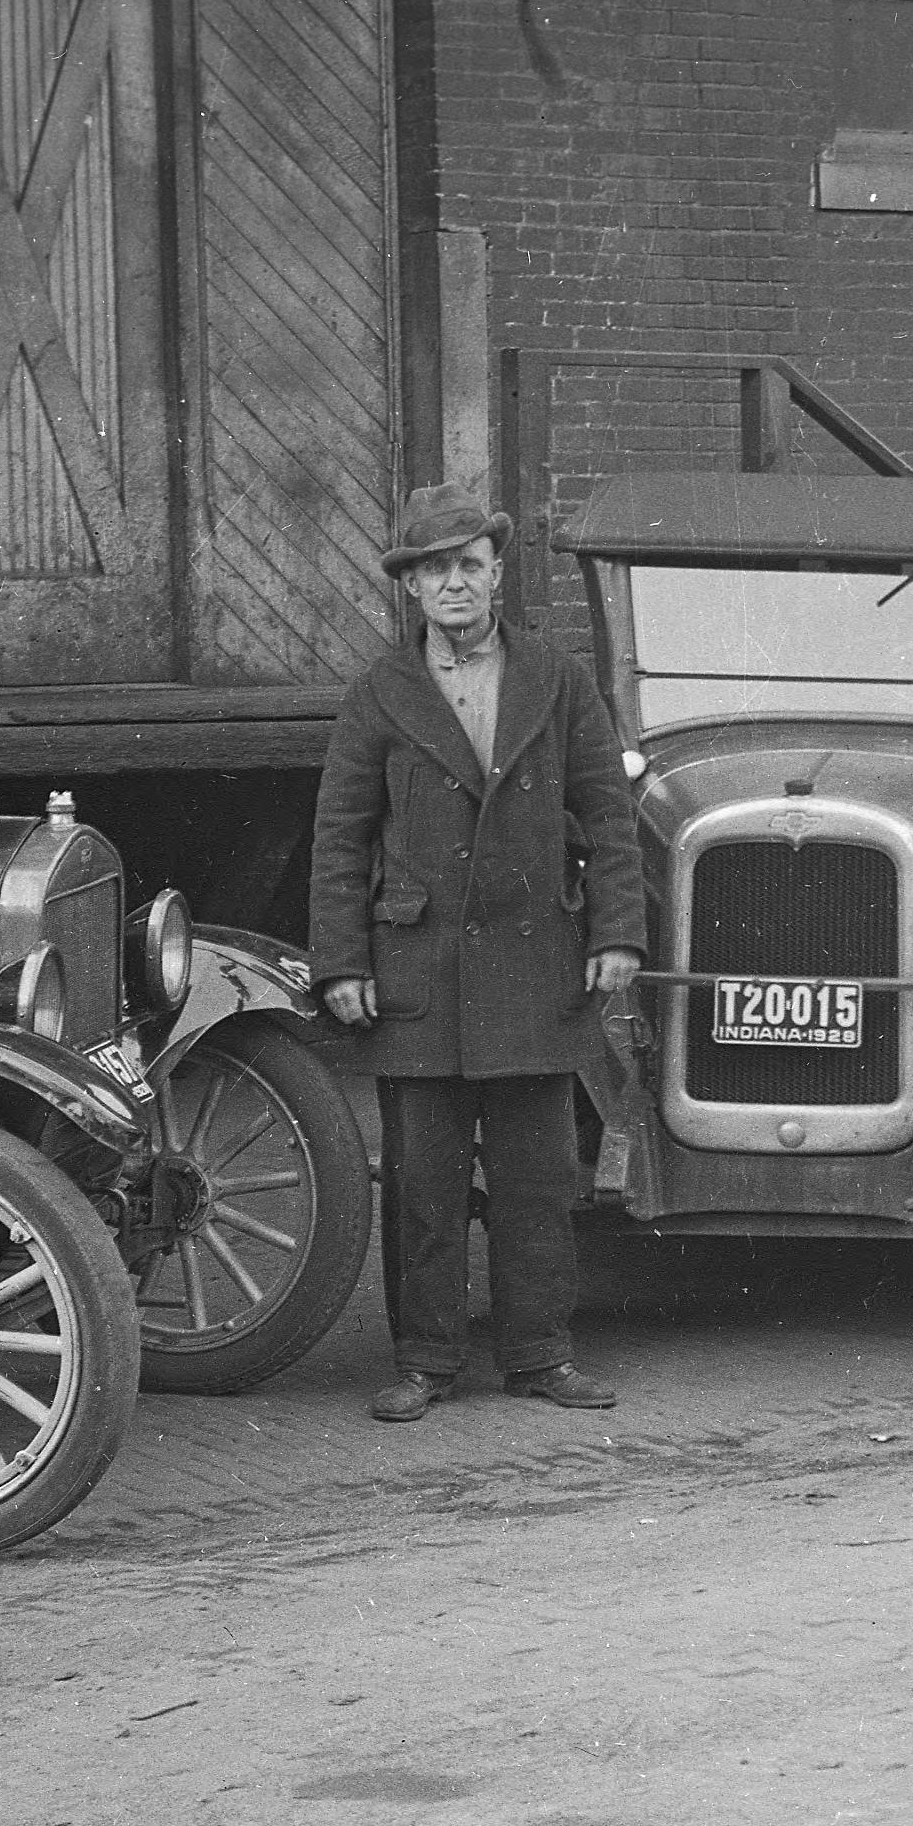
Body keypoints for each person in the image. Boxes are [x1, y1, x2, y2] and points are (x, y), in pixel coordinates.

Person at [306, 484, 651, 1414]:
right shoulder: (378, 693)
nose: (453, 582)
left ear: (497, 572)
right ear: (411, 587)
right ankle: (426, 1359)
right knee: (423, 1184)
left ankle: (539, 1354)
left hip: (537, 969)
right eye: (434, 570)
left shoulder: (557, 679)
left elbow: (606, 813)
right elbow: (340, 838)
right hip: (417, 972)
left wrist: (617, 930)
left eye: (469, 564)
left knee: (538, 1178)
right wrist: (342, 962)